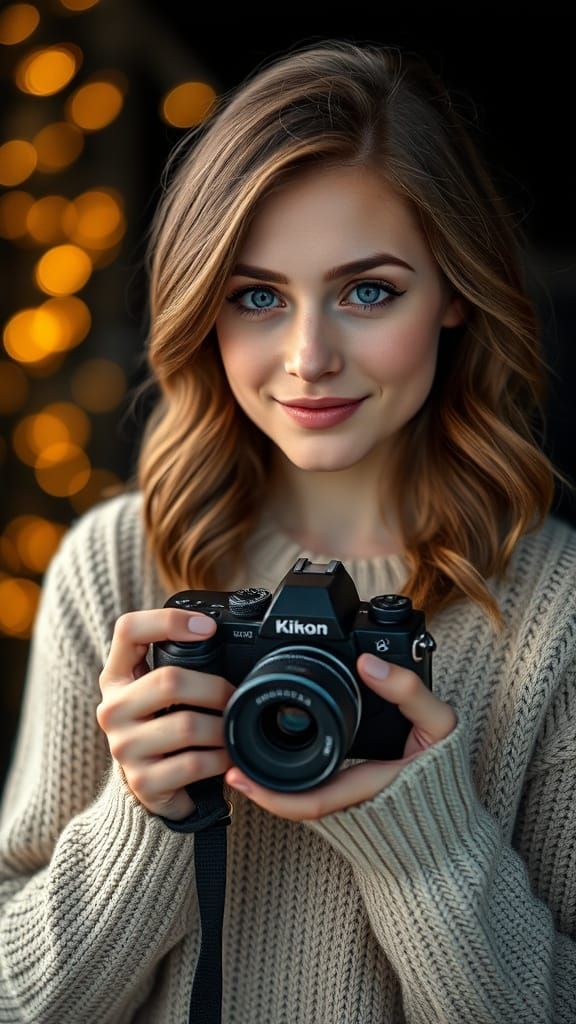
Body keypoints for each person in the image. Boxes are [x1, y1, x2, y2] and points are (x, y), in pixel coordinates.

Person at [1, 36, 575, 1024]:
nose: (309, 357)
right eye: (257, 297)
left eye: (369, 291)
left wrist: (432, 844)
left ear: (453, 295)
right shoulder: (117, 567)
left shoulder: (551, 604)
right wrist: (140, 823)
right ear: (203, 312)